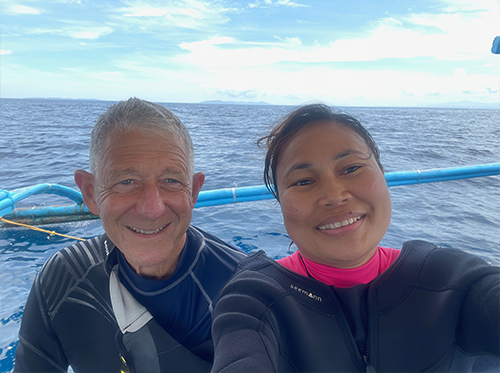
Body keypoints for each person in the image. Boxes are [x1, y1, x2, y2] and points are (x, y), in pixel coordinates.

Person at [211, 103, 500, 372]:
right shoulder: (254, 298)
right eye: (303, 181)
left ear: (382, 174)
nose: (335, 196)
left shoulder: (452, 279)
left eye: (351, 168)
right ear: (281, 203)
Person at [14, 98, 246, 373]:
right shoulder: (62, 280)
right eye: (126, 182)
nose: (152, 209)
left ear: (193, 192)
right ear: (91, 193)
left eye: (170, 181)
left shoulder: (243, 289)